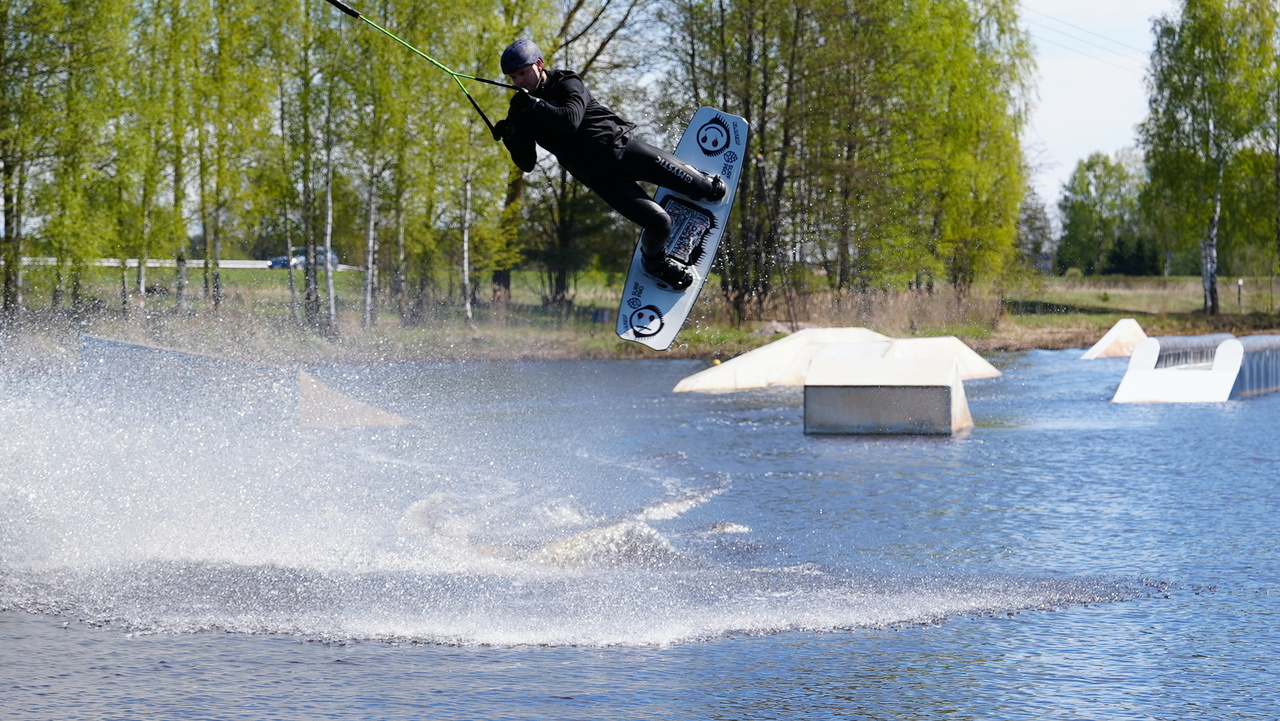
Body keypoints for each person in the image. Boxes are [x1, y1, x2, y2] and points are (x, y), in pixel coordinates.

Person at [491, 39, 726, 291]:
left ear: (539, 65)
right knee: (660, 223)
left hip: (625, 150)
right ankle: (654, 264)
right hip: (602, 179)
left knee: (710, 190)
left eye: (523, 73)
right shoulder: (520, 108)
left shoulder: (566, 82)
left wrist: (538, 106)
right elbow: (527, 163)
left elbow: (570, 121)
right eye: (513, 77)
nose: (519, 82)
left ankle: (693, 182)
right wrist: (511, 137)